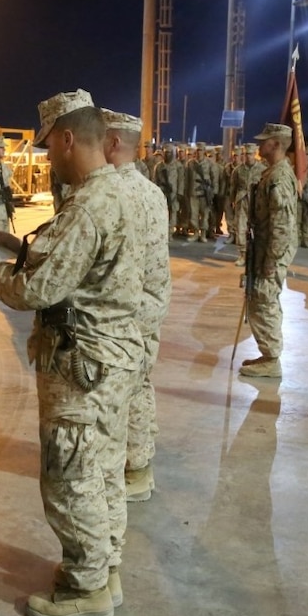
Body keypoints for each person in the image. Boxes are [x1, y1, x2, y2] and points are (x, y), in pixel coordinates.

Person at [0, 89, 147, 616]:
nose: (48, 157)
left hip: (82, 367)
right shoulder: (120, 191)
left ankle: (84, 589)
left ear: (69, 139)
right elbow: (74, 262)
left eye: (50, 146)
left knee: (70, 477)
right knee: (104, 469)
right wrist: (14, 244)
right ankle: (105, 569)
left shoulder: (89, 205)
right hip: (115, 357)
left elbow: (36, 290)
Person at [101, 109, 172, 504]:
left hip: (126, 311)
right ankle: (140, 463)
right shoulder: (150, 190)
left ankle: (132, 469)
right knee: (140, 384)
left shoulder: (114, 192)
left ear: (113, 143)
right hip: (150, 304)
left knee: (123, 392)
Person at [239, 123, 299, 378]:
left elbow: (282, 224)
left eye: (264, 141)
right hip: (265, 248)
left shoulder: (279, 178)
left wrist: (271, 260)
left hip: (272, 251)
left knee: (264, 301)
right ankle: (268, 355)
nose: (259, 144)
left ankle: (272, 359)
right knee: (262, 299)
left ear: (275, 144)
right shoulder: (272, 173)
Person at [231, 142, 265, 265]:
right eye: (246, 154)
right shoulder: (238, 170)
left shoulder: (262, 169)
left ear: (255, 154)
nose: (248, 156)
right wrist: (233, 201)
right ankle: (242, 254)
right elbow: (233, 187)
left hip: (256, 203)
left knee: (257, 229)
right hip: (242, 201)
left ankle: (256, 256)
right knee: (240, 228)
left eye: (250, 154)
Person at [184, 142, 215, 242]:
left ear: (204, 151)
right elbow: (186, 179)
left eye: (201, 150)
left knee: (205, 214)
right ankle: (196, 233)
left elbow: (214, 178)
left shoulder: (209, 163)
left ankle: (203, 234)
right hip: (193, 193)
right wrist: (186, 191)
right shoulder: (190, 164)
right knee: (194, 214)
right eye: (197, 150)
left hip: (205, 194)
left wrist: (213, 192)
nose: (199, 152)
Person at [153, 144, 182, 236]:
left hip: (173, 193)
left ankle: (170, 232)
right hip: (162, 193)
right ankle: (163, 231)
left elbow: (181, 180)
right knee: (162, 212)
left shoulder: (178, 166)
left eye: (169, 153)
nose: (167, 154)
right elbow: (155, 181)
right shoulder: (159, 166)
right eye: (166, 153)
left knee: (173, 212)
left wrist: (179, 193)